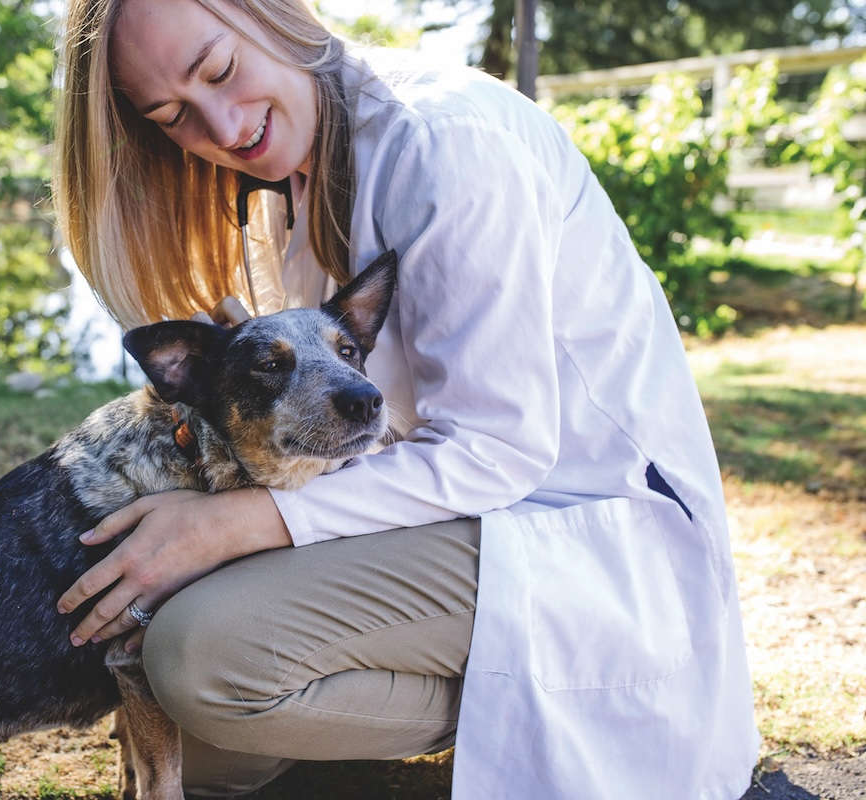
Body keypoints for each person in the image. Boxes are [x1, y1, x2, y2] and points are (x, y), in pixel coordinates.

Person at [51, 0, 761, 797]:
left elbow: (498, 449)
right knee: (193, 731)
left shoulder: (444, 142)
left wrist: (238, 523)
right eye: (173, 115)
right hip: (466, 516)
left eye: (217, 69)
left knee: (197, 657)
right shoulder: (292, 177)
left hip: (575, 521)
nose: (220, 125)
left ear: (273, 15)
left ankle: (555, 718)